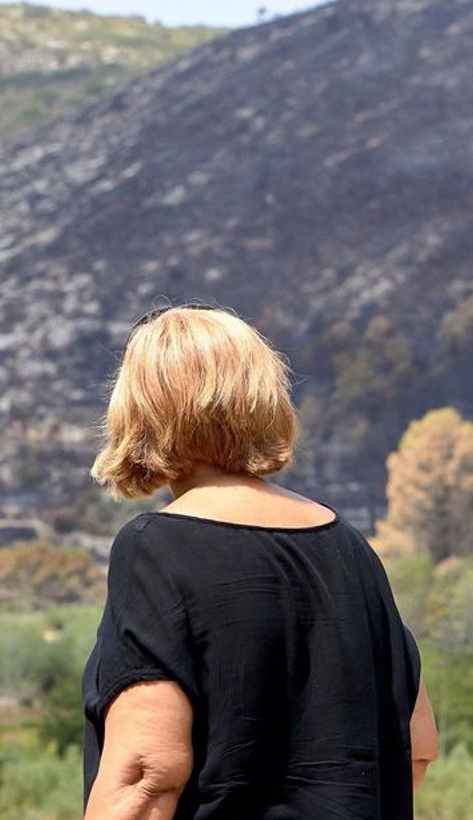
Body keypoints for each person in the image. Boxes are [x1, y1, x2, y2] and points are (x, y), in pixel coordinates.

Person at [82, 305, 439, 820]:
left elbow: (145, 774)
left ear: (142, 410)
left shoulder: (157, 549)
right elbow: (418, 746)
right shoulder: (351, 549)